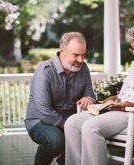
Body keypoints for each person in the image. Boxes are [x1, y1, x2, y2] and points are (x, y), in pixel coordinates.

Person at [64, 22, 134, 165]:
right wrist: (115, 98)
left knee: (91, 127)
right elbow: (125, 94)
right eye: (132, 49)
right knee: (72, 123)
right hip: (120, 110)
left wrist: (131, 105)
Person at [24, 32, 95, 165]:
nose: (81, 60)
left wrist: (88, 98)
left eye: (83, 55)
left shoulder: (84, 69)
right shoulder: (45, 70)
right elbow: (44, 110)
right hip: (40, 121)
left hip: (69, 122)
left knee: (88, 137)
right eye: (76, 55)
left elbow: (91, 95)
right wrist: (69, 126)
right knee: (56, 141)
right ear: (62, 51)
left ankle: (65, 160)